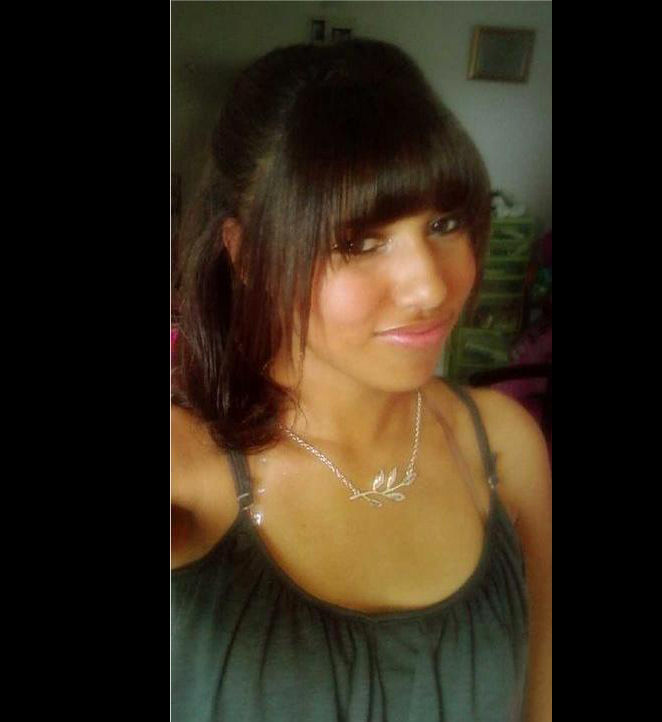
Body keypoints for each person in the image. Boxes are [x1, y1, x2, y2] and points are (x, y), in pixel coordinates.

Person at [171, 38, 551, 722]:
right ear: (246, 254)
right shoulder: (186, 472)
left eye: (445, 222)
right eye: (357, 241)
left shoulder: (504, 445)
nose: (430, 287)